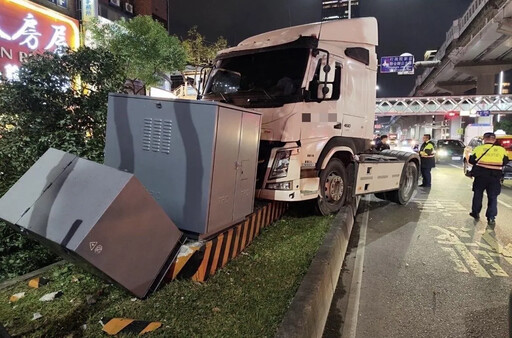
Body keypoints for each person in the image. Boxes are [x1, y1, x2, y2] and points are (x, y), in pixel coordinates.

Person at [468, 132, 509, 226]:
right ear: (494, 140)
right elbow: (505, 161)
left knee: (478, 194)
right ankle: (491, 217)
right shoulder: (501, 150)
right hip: (494, 177)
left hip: (481, 176)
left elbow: (471, 160)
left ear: (484, 139)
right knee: (493, 197)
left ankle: (475, 213)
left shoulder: (478, 148)